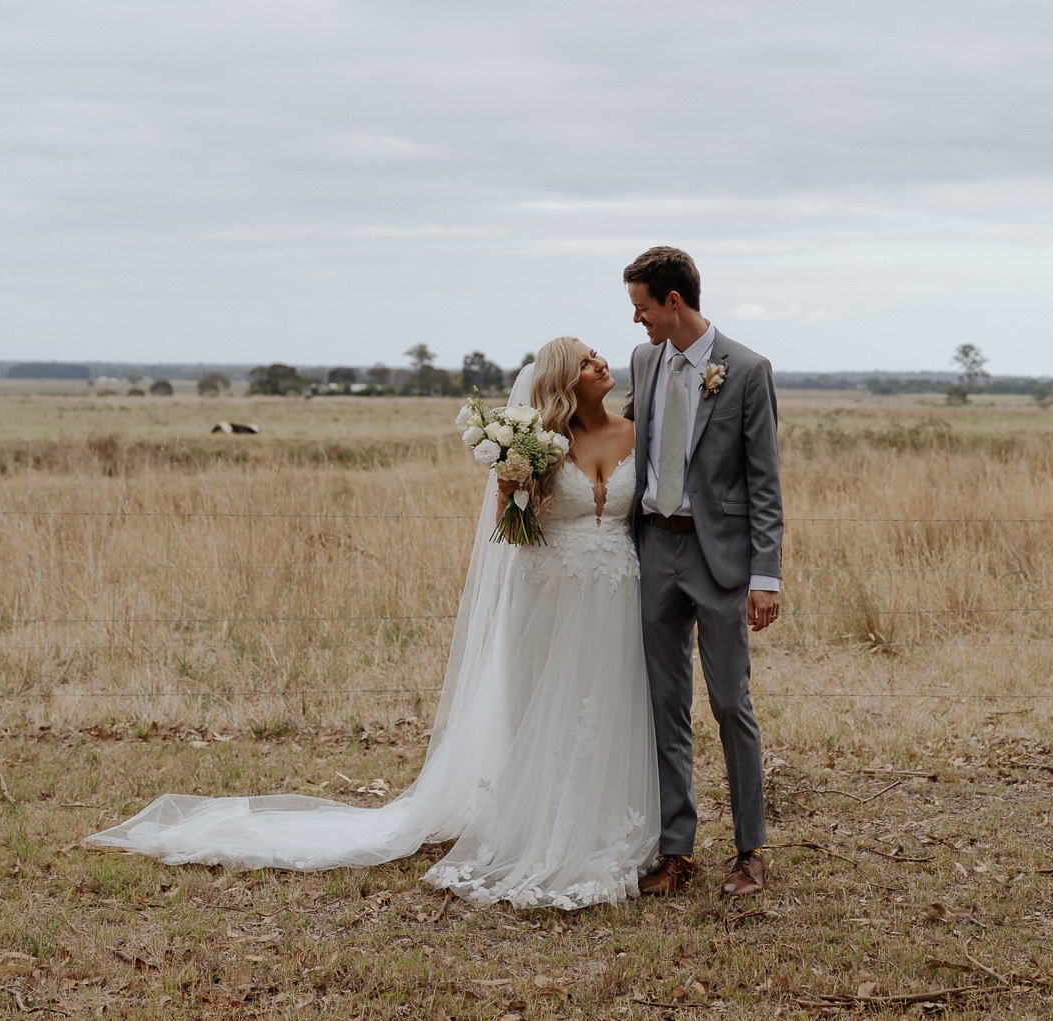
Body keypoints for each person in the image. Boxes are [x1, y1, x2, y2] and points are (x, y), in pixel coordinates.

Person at [85, 337, 659, 910]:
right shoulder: (539, 445)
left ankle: (604, 825)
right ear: (563, 381)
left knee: (605, 703)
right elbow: (513, 532)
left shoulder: (637, 434)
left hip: (616, 590)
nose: (601, 363)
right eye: (586, 362)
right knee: (542, 705)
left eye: (597, 356)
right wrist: (514, 484)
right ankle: (542, 826)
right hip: (546, 590)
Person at [622, 246, 784, 899]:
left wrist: (765, 575)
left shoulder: (745, 370)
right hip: (654, 549)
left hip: (720, 559)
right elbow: (616, 430)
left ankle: (750, 850)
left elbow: (765, 482)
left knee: (729, 703)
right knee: (665, 705)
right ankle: (676, 849)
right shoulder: (642, 361)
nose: (637, 322)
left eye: (642, 309)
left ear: (674, 302)